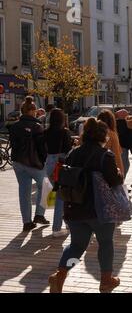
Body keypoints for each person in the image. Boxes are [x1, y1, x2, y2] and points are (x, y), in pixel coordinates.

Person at [48, 118, 123, 293]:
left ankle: (59, 276)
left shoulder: (73, 153)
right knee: (105, 243)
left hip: (75, 207)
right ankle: (106, 280)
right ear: (103, 135)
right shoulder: (106, 155)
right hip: (100, 209)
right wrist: (118, 173)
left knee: (76, 245)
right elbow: (114, 181)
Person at [9, 96, 49, 232]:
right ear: (32, 111)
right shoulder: (37, 126)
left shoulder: (14, 126)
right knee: (46, 186)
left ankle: (26, 222)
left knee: (24, 192)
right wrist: (44, 161)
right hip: (34, 163)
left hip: (18, 162)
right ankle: (39, 214)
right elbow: (42, 148)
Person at [43, 108, 73, 237]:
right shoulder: (64, 132)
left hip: (48, 163)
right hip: (60, 163)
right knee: (62, 197)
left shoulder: (45, 132)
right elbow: (68, 150)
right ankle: (57, 228)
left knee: (57, 196)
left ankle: (64, 224)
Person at [97, 110, 125, 176]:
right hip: (106, 168)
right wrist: (121, 173)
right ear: (112, 121)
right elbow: (117, 155)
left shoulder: (90, 132)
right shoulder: (111, 134)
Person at [115, 109, 130, 179]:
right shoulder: (124, 123)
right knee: (124, 164)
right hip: (123, 146)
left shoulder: (115, 123)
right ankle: (121, 181)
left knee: (125, 164)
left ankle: (121, 181)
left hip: (120, 146)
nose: (128, 116)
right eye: (127, 114)